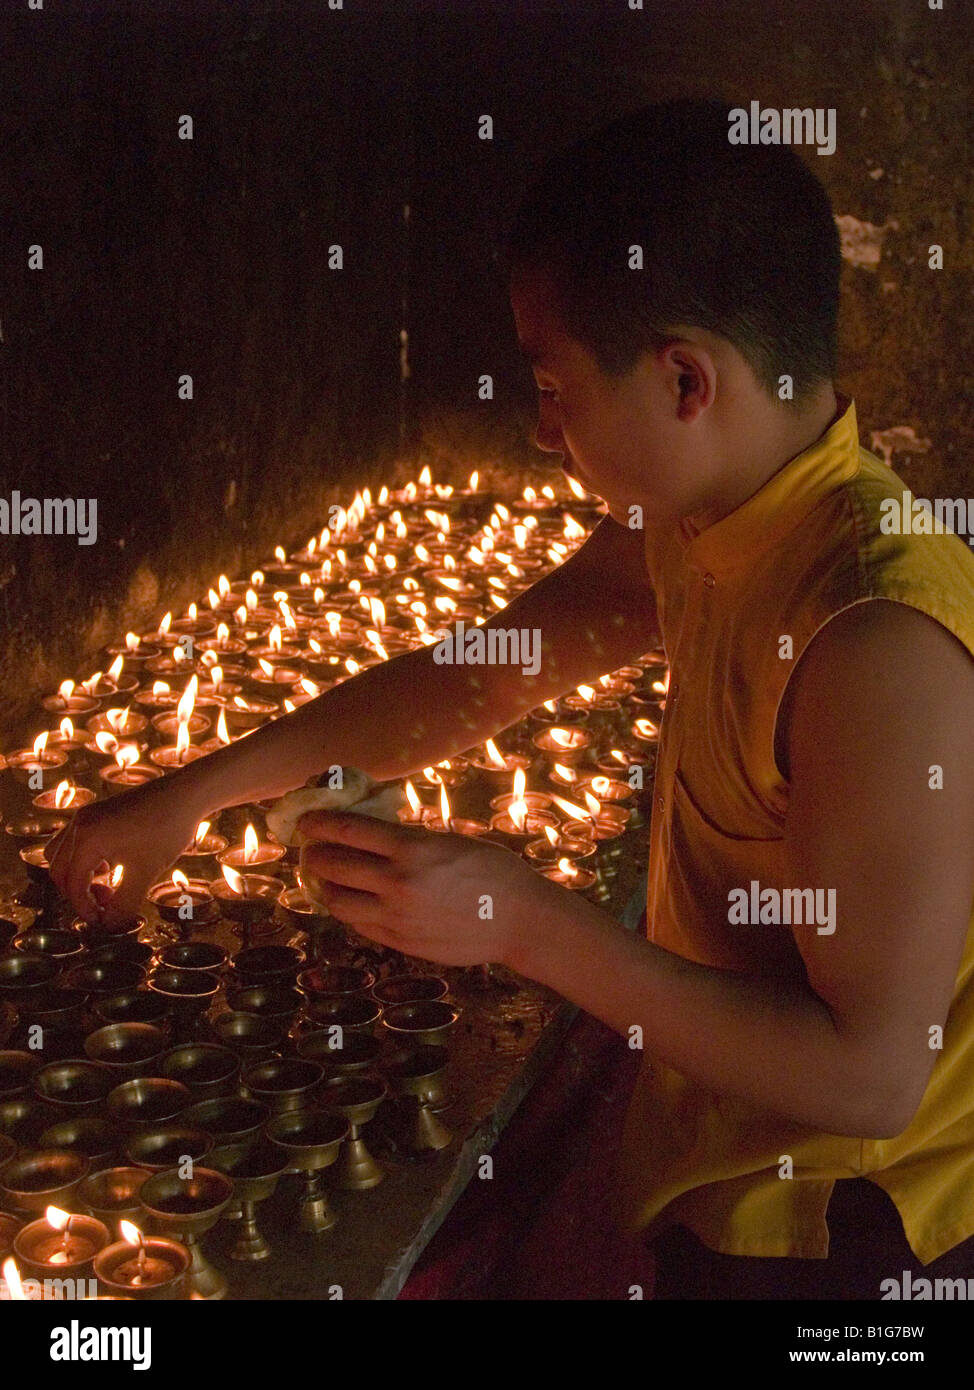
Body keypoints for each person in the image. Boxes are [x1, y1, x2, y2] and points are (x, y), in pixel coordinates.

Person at [50, 100, 974, 1296]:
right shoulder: (710, 521)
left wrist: (523, 921)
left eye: (554, 384)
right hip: (720, 1162)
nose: (541, 432)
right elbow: (477, 674)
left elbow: (869, 1075)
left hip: (849, 1239)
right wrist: (194, 793)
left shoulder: (871, 636)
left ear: (685, 377)